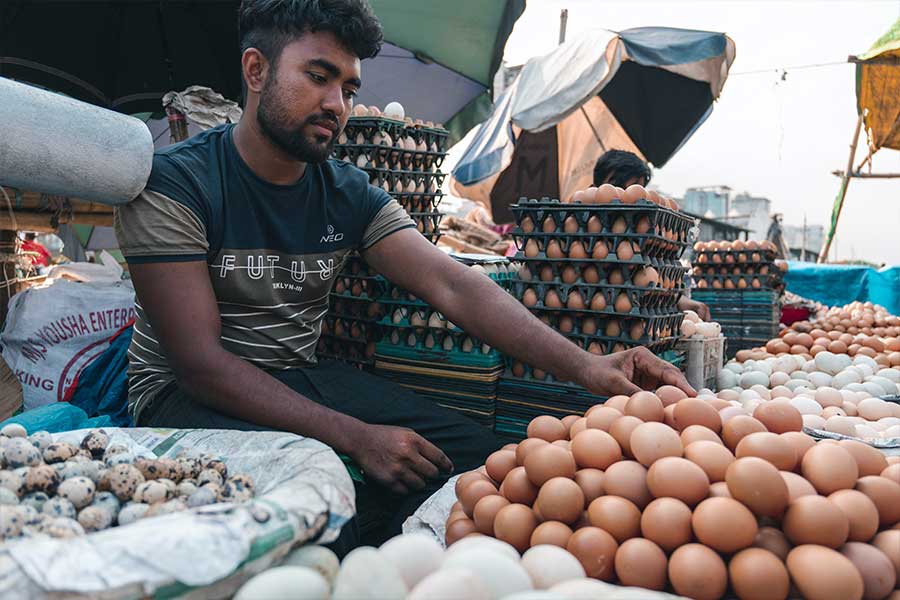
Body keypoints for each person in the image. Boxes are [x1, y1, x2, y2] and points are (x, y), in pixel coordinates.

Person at [115, 0, 695, 550]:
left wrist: (588, 367)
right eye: (318, 76)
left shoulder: (345, 193)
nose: (336, 104)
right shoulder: (176, 183)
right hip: (180, 396)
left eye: (348, 87)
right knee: (321, 506)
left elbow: (453, 285)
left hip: (297, 373)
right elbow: (198, 363)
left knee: (479, 461)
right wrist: (353, 435)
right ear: (256, 69)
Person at [593, 150, 711, 321]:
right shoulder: (582, 225)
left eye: (641, 190)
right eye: (630, 187)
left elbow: (645, 281)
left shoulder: (638, 231)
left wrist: (681, 301)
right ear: (606, 184)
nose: (638, 198)